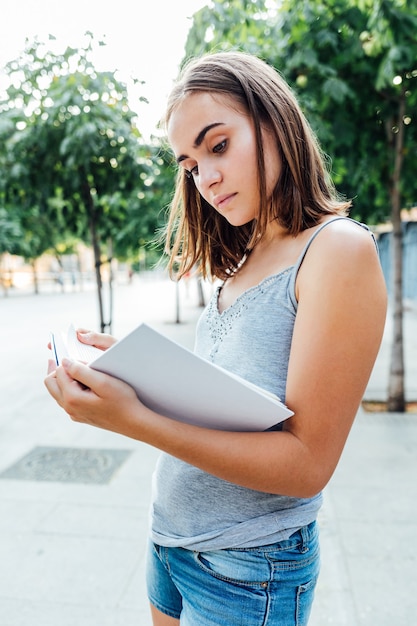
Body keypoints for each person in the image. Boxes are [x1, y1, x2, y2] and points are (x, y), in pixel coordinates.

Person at [44, 51, 387, 625]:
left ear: (274, 121)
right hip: (172, 543)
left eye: (218, 146)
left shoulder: (336, 251)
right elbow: (238, 400)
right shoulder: (247, 254)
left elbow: (307, 463)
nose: (206, 179)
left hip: (249, 566)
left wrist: (133, 418)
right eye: (190, 164)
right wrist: (137, 375)